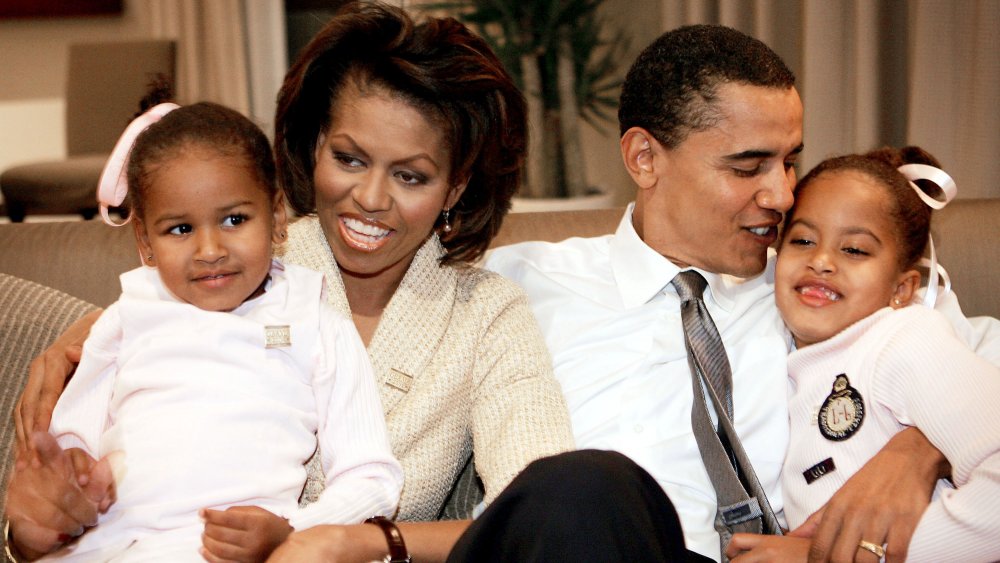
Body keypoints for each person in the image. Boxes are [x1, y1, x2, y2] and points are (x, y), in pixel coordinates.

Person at [7, 3, 574, 562]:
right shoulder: (229, 258)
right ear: (313, 146)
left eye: (410, 175)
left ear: (454, 188)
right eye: (350, 159)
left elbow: (541, 514)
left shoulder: (484, 315)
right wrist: (34, 523)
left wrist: (347, 540)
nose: (372, 200)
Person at [485, 24, 998, 562]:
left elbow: (977, 378)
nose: (782, 195)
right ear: (644, 158)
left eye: (789, 161)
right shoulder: (520, 283)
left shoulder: (821, 288)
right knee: (585, 485)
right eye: (748, 167)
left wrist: (921, 447)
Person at [7, 95, 403, 562]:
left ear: (277, 218)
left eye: (234, 220)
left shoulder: (314, 321)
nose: (210, 249)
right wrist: (65, 482)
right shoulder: (124, 319)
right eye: (179, 229)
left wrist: (293, 531)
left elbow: (372, 478)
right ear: (145, 243)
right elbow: (72, 440)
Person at [726, 147, 1000, 563]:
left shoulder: (905, 337)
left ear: (903, 289)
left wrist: (843, 556)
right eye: (802, 240)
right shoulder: (780, 367)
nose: (821, 260)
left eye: (854, 250)